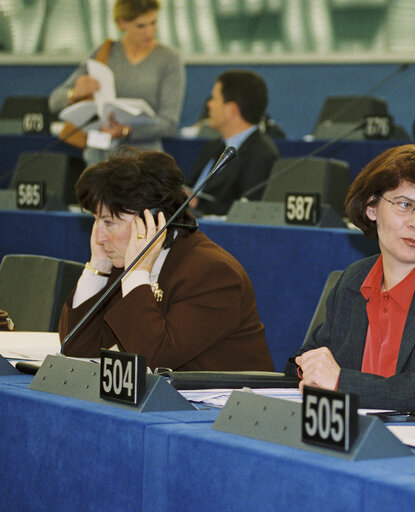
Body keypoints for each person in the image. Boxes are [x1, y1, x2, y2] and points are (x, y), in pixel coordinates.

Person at [284, 144, 415, 410]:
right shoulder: (355, 279)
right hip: (349, 435)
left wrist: (342, 382)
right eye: (405, 205)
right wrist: (311, 371)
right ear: (372, 208)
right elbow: (303, 360)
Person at [59, 150, 274, 372]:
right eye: (96, 220)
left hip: (226, 403)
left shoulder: (213, 273)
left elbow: (155, 360)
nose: (98, 237)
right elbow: (76, 350)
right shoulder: (123, 262)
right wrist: (99, 269)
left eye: (109, 222)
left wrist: (137, 275)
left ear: (150, 220)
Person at [48, 0, 185, 165]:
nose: (149, 31)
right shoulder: (104, 53)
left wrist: (126, 131)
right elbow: (54, 101)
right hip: (98, 162)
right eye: (140, 26)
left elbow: (169, 124)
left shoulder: (169, 59)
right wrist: (73, 93)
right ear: (122, 23)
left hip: (145, 165)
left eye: (153, 23)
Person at [186, 70, 280, 216]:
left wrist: (198, 204)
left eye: (214, 99)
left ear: (231, 110)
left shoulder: (262, 155)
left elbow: (246, 212)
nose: (209, 104)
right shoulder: (212, 146)